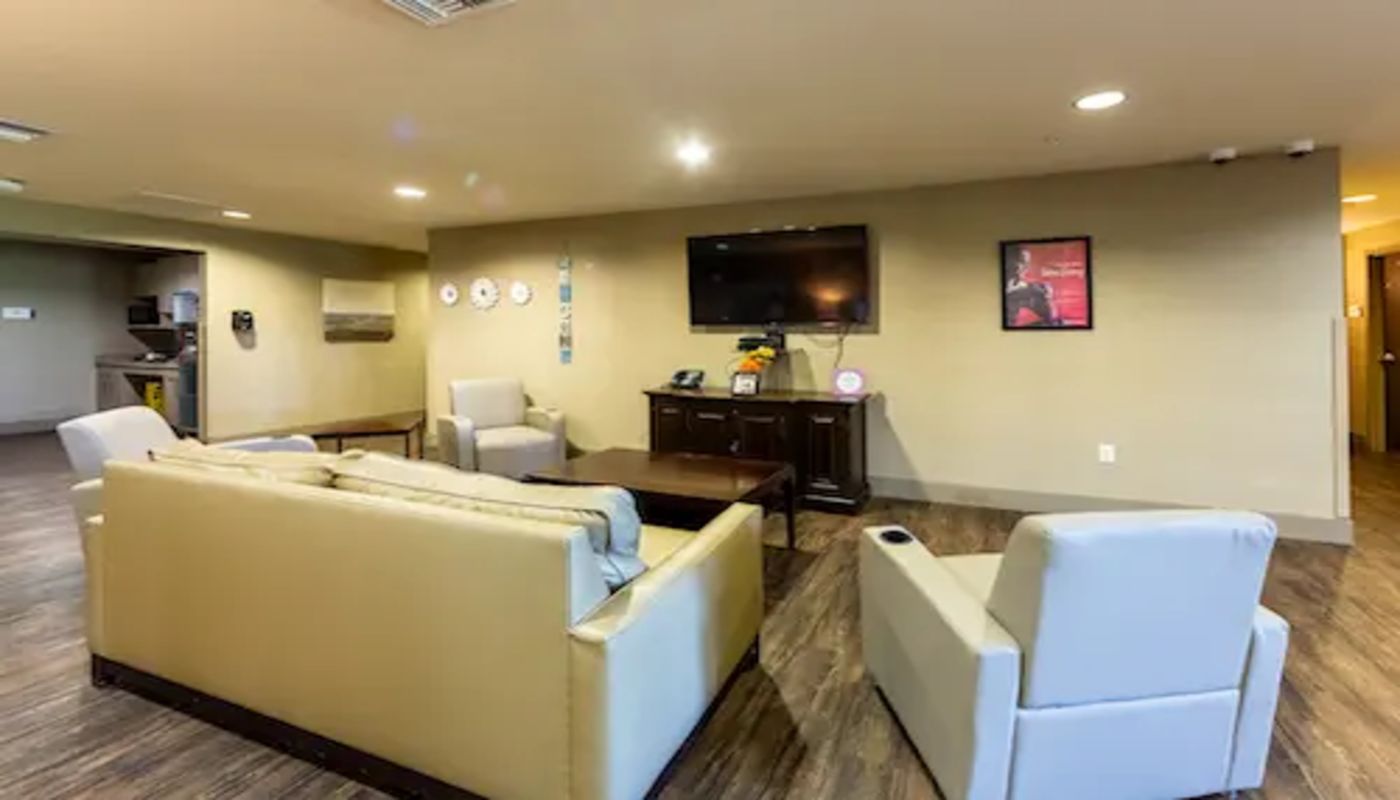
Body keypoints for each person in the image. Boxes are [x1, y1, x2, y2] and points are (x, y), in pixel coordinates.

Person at [1004, 247, 1060, 326]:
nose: (1018, 266)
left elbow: (1051, 318)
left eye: (1024, 263)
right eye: (1014, 261)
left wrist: (1047, 299)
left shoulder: (1030, 290)